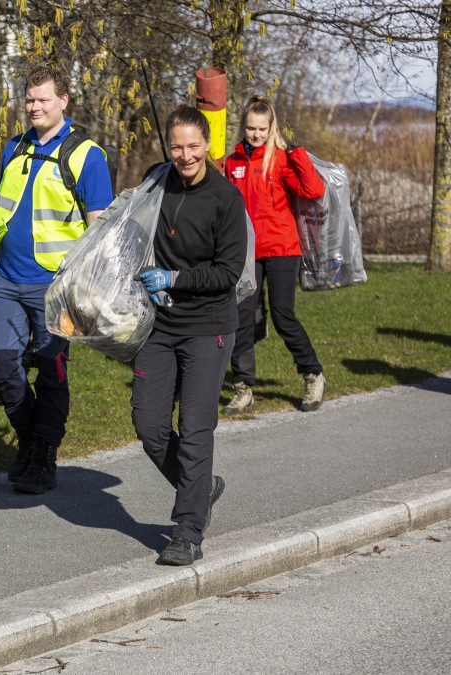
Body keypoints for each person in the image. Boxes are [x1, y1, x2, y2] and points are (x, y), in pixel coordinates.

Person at [0, 62, 113, 494]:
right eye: (29, 99)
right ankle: (29, 439)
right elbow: (3, 213)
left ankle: (45, 457)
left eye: (43, 100)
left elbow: (100, 230)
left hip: (55, 287)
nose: (34, 107)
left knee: (51, 372)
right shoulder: (13, 148)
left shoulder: (86, 155)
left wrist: (88, 289)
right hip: (4, 280)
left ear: (63, 101)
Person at [131, 105, 246, 566]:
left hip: (209, 327)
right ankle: (201, 485)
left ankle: (187, 530)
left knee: (196, 430)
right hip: (160, 325)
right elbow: (132, 234)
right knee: (150, 425)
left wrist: (173, 279)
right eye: (177, 147)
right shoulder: (155, 182)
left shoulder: (225, 198)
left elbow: (228, 272)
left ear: (207, 146)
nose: (185, 155)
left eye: (193, 146)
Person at [223, 95, 328, 414]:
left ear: (272, 128)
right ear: (244, 127)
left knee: (283, 315)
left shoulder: (282, 158)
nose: (256, 134)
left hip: (283, 248)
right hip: (248, 251)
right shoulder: (233, 162)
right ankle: (243, 387)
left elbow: (314, 190)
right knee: (241, 318)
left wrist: (296, 153)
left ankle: (313, 374)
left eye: (262, 129)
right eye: (251, 128)